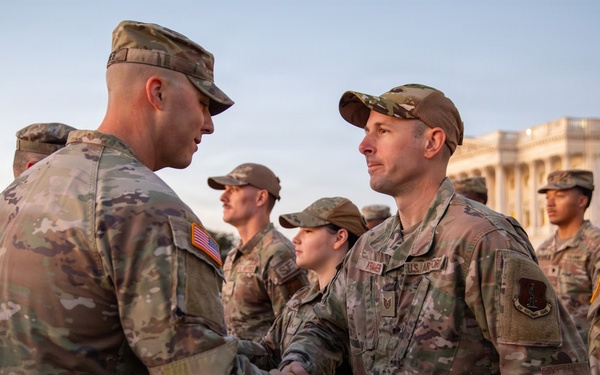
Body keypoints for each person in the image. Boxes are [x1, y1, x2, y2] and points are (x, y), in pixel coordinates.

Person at [0, 20, 269, 374]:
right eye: (203, 103)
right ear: (157, 93)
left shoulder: (18, 191)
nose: (209, 124)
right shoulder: (149, 208)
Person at [274, 84, 589, 374]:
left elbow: (545, 366)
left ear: (432, 142)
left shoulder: (485, 240)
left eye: (382, 131)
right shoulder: (370, 247)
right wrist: (300, 363)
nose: (364, 146)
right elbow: (327, 324)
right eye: (367, 132)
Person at [237, 197, 368, 373]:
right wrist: (222, 348)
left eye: (307, 231)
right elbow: (269, 354)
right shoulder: (301, 298)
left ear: (339, 237)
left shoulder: (359, 302)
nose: (295, 239)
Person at [208, 163, 309, 341]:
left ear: (260, 197)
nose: (223, 197)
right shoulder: (234, 255)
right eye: (225, 189)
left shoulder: (278, 254)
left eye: (234, 189)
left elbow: (297, 332)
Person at [535, 170, 600, 370]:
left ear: (582, 201)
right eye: (548, 198)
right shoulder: (543, 249)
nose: (550, 203)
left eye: (560, 196)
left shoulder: (595, 246)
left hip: (584, 363)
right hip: (548, 363)